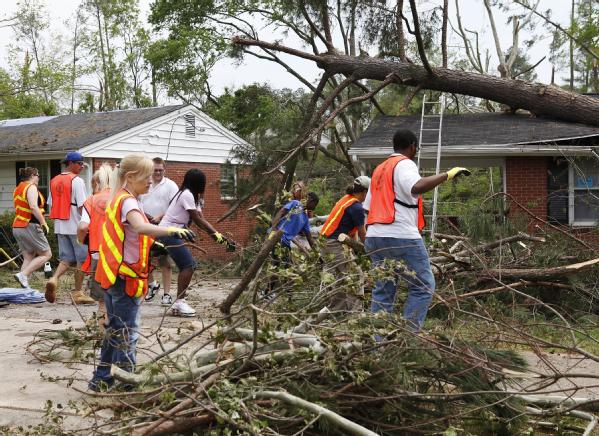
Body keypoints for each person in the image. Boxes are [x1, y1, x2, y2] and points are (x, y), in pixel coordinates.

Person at [89, 155, 195, 391]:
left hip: (113, 275)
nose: (150, 181)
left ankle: (101, 378)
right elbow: (140, 227)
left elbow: (130, 236)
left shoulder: (118, 198)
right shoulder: (128, 202)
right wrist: (172, 231)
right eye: (146, 177)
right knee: (128, 332)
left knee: (114, 329)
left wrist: (151, 244)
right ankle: (128, 384)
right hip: (125, 277)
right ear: (130, 177)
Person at [363, 129, 470, 332]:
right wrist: (448, 174)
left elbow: (367, 208)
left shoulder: (380, 169)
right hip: (400, 235)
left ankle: (377, 342)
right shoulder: (404, 163)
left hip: (375, 236)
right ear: (413, 146)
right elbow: (416, 186)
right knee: (423, 285)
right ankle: (408, 339)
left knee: (384, 290)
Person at [159, 168, 234, 317]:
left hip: (175, 232)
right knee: (188, 265)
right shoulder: (186, 194)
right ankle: (179, 303)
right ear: (198, 183)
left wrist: (221, 238)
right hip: (169, 232)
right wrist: (219, 238)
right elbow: (198, 220)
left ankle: (178, 303)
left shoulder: (193, 197)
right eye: (203, 182)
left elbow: (202, 219)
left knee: (186, 265)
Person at [46, 151, 94, 305]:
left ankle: (54, 279)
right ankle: (78, 293)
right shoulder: (77, 181)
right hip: (75, 226)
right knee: (82, 259)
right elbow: (82, 206)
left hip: (60, 225)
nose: (81, 166)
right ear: (71, 163)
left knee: (66, 259)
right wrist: (89, 223)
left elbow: (50, 204)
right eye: (79, 163)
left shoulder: (54, 180)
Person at [319, 176, 371, 312]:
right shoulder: (356, 207)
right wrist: (369, 250)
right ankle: (356, 315)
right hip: (334, 243)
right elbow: (362, 234)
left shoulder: (346, 199)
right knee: (355, 275)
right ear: (365, 191)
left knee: (341, 279)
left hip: (325, 241)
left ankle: (334, 311)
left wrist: (353, 249)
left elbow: (350, 231)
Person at [77, 163, 114, 328]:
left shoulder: (91, 200)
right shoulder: (121, 197)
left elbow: (83, 226)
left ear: (96, 183)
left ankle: (103, 334)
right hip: (120, 253)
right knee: (119, 296)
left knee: (102, 300)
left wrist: (80, 239)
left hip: (98, 252)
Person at [139, 157, 178, 305]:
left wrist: (160, 216)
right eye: (155, 170)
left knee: (165, 262)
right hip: (146, 227)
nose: (158, 173)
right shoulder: (144, 183)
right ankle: (152, 285)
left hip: (163, 228)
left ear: (164, 170)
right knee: (145, 261)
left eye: (161, 170)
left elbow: (175, 207)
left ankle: (167, 294)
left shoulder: (171, 186)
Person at [266, 191, 319, 296]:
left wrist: (317, 255)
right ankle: (270, 292)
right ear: (310, 200)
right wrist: (274, 229)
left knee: (286, 265)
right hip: (277, 237)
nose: (315, 207)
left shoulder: (305, 219)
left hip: (285, 242)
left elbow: (309, 238)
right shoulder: (295, 204)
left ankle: (284, 292)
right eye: (315, 204)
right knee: (278, 264)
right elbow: (281, 212)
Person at [12, 167, 52, 289]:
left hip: (18, 226)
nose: (39, 178)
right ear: (32, 176)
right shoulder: (31, 187)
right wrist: (43, 222)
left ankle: (24, 288)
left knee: (28, 256)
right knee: (46, 254)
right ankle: (23, 275)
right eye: (38, 175)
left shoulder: (18, 188)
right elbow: (34, 207)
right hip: (29, 225)